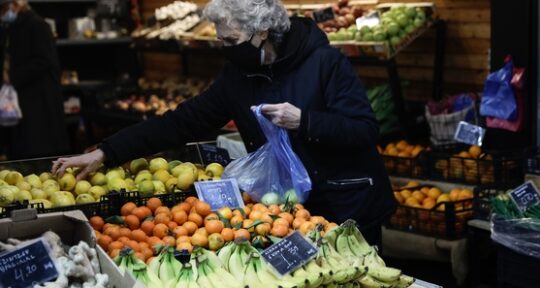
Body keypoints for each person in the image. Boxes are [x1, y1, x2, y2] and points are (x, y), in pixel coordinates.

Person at [52, 0, 395, 245]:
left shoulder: (325, 62)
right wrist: (107, 152)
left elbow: (363, 129)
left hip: (348, 204)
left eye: (229, 40)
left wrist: (303, 121)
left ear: (262, 31)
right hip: (290, 211)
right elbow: (182, 121)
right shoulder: (239, 75)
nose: (223, 48)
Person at [0, 0, 69, 159]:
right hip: (22, 99)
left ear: (15, 5)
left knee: (39, 149)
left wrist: (12, 76)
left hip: (39, 101)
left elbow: (45, 61)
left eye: (3, 9)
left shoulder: (37, 25)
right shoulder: (11, 28)